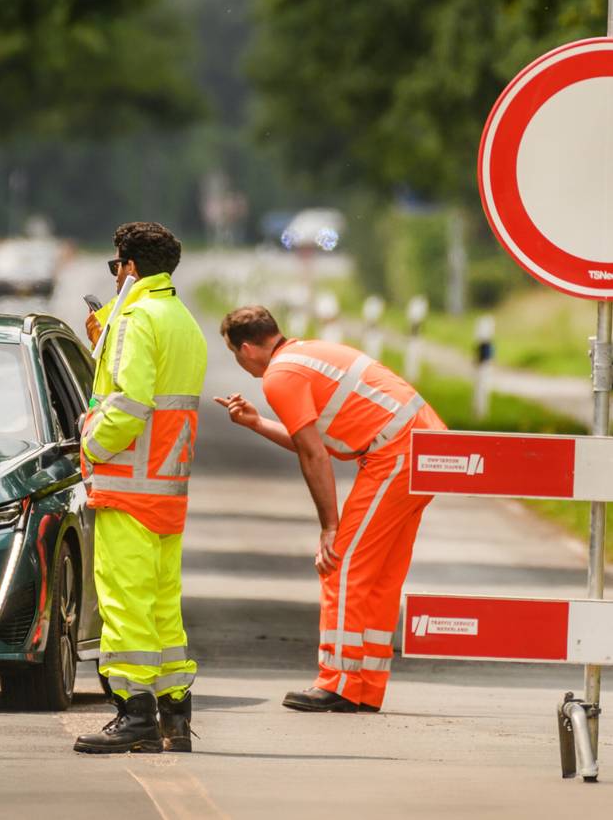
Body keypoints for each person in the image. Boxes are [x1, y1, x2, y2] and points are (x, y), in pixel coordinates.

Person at [215, 305, 446, 714]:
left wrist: (329, 528)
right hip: (427, 449)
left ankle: (337, 681)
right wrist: (256, 424)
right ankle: (364, 686)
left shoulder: (280, 377)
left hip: (395, 452)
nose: (239, 362)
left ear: (247, 348)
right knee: (379, 574)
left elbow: (313, 455)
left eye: (235, 354)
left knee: (339, 563)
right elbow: (312, 440)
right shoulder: (307, 352)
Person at [73, 222, 207, 755]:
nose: (114, 277)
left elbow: (129, 403)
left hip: (127, 485)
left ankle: (136, 717)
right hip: (166, 489)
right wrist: (103, 328)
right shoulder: (181, 319)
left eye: (115, 267)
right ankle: (174, 715)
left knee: (125, 604)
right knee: (161, 609)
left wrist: (90, 446)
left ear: (129, 267)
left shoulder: (135, 318)